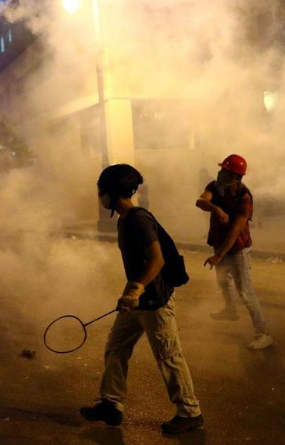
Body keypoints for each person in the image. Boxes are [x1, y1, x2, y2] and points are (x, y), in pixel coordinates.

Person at [80, 164, 203, 435]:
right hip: (137, 302)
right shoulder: (125, 220)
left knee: (168, 357)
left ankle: (190, 412)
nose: (99, 195)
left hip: (154, 302)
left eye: (101, 190)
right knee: (115, 347)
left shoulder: (138, 219)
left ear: (112, 192)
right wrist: (130, 293)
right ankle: (111, 405)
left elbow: (157, 259)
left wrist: (134, 290)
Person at [196, 154, 273, 350]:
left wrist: (218, 256)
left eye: (224, 171)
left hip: (237, 250)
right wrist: (216, 209)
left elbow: (234, 232)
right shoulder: (215, 186)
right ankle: (230, 310)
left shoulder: (244, 198)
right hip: (218, 244)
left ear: (235, 177)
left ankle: (263, 333)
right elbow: (200, 201)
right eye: (221, 170)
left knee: (246, 292)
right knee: (223, 281)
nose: (219, 173)